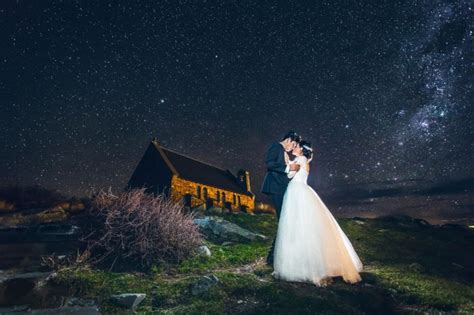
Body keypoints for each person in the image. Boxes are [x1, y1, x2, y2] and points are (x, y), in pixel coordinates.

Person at [272, 140, 363, 286]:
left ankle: (309, 267)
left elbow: (290, 173)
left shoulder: (301, 159)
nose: (294, 148)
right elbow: (291, 173)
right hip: (297, 190)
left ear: (302, 149)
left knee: (300, 224)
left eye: (296, 146)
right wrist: (288, 161)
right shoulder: (301, 159)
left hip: (297, 192)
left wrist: (286, 160)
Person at [261, 131, 302, 265]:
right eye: (294, 144)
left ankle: (274, 257)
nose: (293, 148)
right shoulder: (276, 147)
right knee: (283, 221)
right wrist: (289, 167)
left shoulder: (283, 152)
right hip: (275, 187)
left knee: (284, 221)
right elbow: (270, 163)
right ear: (289, 139)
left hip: (281, 188)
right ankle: (272, 257)